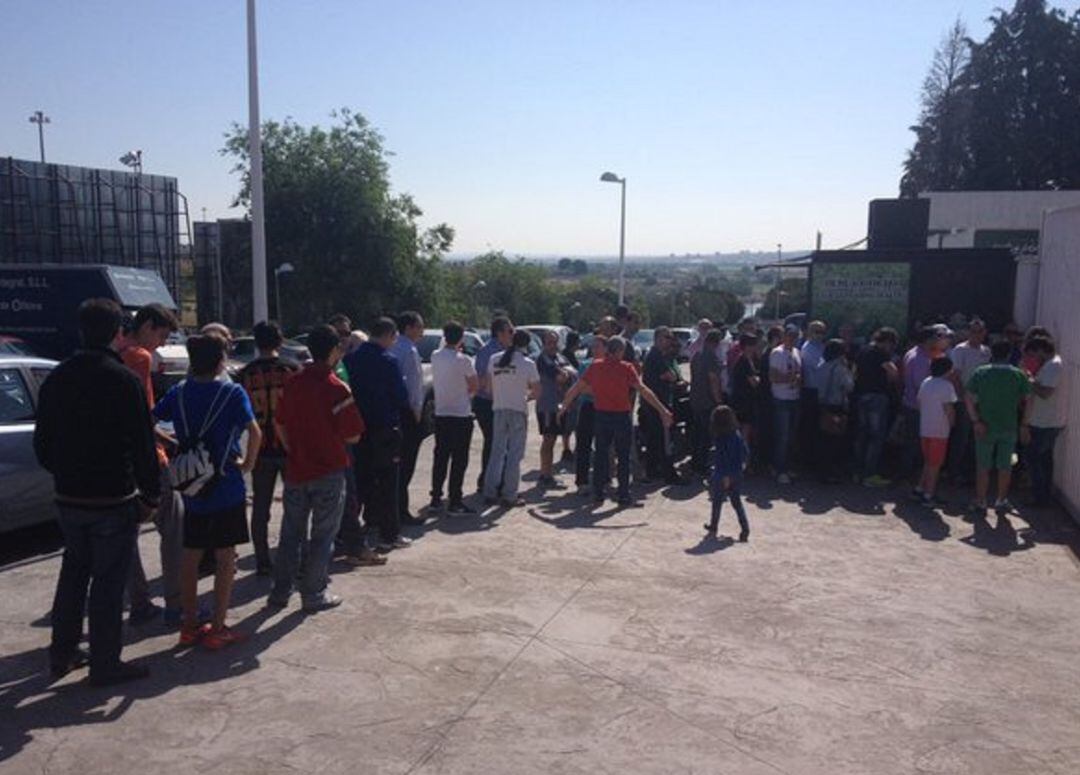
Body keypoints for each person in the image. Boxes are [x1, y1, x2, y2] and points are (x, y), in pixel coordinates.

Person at [35, 299, 160, 686]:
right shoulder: (122, 380)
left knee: (73, 576)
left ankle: (63, 653)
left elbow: (43, 443)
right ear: (117, 333)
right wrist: (151, 496)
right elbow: (142, 445)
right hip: (112, 498)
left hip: (69, 498)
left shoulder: (58, 378)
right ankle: (105, 664)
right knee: (107, 585)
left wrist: (67, 473)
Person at [154, 333, 261, 650]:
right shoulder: (231, 393)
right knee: (226, 557)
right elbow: (254, 433)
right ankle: (217, 626)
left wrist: (173, 445)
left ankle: (188, 624)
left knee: (191, 555)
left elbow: (150, 419)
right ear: (220, 361)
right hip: (226, 484)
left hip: (193, 487)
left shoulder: (180, 392)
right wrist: (247, 464)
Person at [269, 325, 366, 612]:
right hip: (329, 471)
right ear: (335, 350)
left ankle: (280, 592)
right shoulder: (337, 388)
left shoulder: (294, 383)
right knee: (322, 536)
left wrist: (293, 448)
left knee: (290, 534)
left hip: (297, 470)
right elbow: (354, 435)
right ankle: (313, 593)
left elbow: (280, 423)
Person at [115, 303, 181, 626]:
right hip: (150, 458)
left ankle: (139, 601)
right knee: (173, 526)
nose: (162, 344)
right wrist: (165, 442)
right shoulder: (139, 358)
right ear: (149, 326)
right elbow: (142, 415)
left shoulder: (116, 354)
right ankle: (177, 603)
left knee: (127, 535)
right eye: (163, 335)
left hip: (119, 461)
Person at [559, 336, 673, 506]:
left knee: (600, 455)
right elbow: (643, 390)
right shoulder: (626, 368)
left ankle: (598, 493)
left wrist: (563, 406)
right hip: (620, 417)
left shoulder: (595, 367)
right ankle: (623, 494)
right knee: (623, 456)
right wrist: (662, 410)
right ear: (620, 351)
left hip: (601, 416)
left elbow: (576, 389)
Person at [238, 321, 300, 576]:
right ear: (280, 340)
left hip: (260, 447)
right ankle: (293, 558)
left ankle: (262, 560)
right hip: (288, 446)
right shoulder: (292, 370)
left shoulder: (245, 374)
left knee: (260, 508)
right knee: (294, 507)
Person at [344, 317, 411, 553]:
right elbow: (401, 396)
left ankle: (349, 536)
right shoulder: (388, 361)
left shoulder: (350, 359)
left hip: (358, 429)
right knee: (388, 483)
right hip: (385, 429)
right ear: (388, 335)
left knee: (359, 482)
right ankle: (388, 535)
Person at [965, 340, 1033, 516]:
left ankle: (981, 500)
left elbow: (968, 398)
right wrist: (1024, 423)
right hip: (1009, 426)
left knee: (983, 466)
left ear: (991, 354)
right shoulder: (1018, 375)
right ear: (1009, 354)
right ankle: (1001, 499)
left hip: (985, 425)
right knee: (1005, 466)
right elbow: (1029, 399)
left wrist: (975, 420)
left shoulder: (980, 373)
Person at [483, 330, 540, 507]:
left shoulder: (494, 359)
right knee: (514, 455)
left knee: (497, 453)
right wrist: (526, 395)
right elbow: (537, 391)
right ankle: (509, 494)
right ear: (526, 345)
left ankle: (490, 492)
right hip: (517, 410)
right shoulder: (528, 363)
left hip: (499, 409)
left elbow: (487, 388)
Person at [429, 321, 479, 515]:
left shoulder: (435, 356)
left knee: (440, 457)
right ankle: (455, 500)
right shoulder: (464, 360)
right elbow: (474, 385)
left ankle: (435, 498)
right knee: (459, 459)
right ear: (461, 338)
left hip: (441, 413)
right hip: (460, 413)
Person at [390, 311, 426, 526]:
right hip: (407, 413)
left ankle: (391, 509)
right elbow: (414, 387)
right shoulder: (410, 351)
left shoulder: (393, 346)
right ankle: (401, 511)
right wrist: (417, 414)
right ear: (409, 327)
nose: (422, 330)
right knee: (406, 465)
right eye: (420, 326)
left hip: (393, 412)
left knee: (393, 465)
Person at [852, 327, 900, 487]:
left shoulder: (863, 351)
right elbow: (893, 373)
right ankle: (870, 474)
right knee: (876, 437)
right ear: (887, 342)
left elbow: (855, 372)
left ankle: (857, 472)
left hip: (861, 395)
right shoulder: (882, 354)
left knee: (862, 435)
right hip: (877, 397)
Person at [946, 319, 990, 485]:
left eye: (979, 332)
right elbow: (955, 376)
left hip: (981, 401)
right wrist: (963, 397)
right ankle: (954, 473)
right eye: (973, 331)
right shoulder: (960, 350)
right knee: (961, 438)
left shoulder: (986, 351)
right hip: (964, 400)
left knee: (976, 439)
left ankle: (971, 473)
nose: (976, 335)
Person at [900, 327, 947, 481]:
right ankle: (912, 476)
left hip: (910, 403)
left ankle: (911, 474)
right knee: (916, 443)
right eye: (936, 337)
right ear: (928, 340)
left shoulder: (913, 352)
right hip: (917, 407)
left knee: (912, 442)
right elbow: (921, 386)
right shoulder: (919, 358)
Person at [1023, 336, 1065, 508]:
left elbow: (1046, 392)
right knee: (1044, 460)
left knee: (1034, 459)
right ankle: (1042, 496)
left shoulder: (1053, 366)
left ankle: (1040, 498)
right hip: (1047, 420)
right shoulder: (1052, 364)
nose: (1034, 357)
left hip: (1046, 422)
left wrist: (1030, 380)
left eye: (1034, 353)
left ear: (1041, 350)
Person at [473, 317, 513, 492]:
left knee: (501, 443)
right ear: (500, 333)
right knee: (494, 442)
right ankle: (488, 482)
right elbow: (481, 380)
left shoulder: (509, 351)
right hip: (487, 403)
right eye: (510, 331)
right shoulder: (488, 352)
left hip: (502, 403)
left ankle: (494, 480)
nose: (513, 335)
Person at [641, 327, 683, 484]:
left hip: (658, 403)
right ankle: (669, 474)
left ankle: (652, 470)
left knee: (655, 439)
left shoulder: (661, 356)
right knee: (664, 440)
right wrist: (669, 378)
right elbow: (670, 376)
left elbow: (672, 376)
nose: (670, 341)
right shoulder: (655, 356)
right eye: (667, 337)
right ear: (658, 338)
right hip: (657, 404)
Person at [703, 405, 750, 543]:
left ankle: (713, 527)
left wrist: (725, 477)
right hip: (737, 474)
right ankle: (745, 529)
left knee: (717, 503)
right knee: (737, 503)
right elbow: (745, 453)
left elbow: (722, 459)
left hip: (723, 475)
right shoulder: (737, 434)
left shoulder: (721, 439)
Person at [916, 357, 958, 507]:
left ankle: (920, 488)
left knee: (928, 461)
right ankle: (929, 494)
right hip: (939, 430)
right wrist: (952, 423)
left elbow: (919, 403)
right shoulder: (947, 386)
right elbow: (949, 409)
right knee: (935, 464)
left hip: (925, 427)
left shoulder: (926, 382)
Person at [536, 330, 575, 487]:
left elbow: (573, 374)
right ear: (544, 343)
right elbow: (561, 377)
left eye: (555, 342)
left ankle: (548, 474)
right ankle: (545, 475)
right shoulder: (542, 360)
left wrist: (566, 375)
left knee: (553, 439)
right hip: (547, 406)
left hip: (559, 406)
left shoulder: (560, 357)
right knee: (548, 439)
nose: (552, 345)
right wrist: (565, 374)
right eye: (549, 342)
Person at [816, 339, 855, 483]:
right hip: (836, 406)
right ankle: (831, 472)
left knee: (823, 439)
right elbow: (849, 386)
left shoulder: (821, 365)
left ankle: (821, 470)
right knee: (835, 441)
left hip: (822, 405)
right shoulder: (840, 368)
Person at [573, 335, 606, 496]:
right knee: (583, 445)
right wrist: (602, 391)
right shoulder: (585, 365)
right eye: (593, 347)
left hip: (605, 408)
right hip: (588, 407)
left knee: (603, 446)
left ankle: (602, 480)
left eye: (598, 346)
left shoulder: (610, 365)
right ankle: (582, 481)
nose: (594, 349)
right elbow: (582, 388)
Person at [769, 324, 802, 484]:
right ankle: (779, 469)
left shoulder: (796, 352)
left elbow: (798, 373)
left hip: (795, 397)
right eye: (790, 335)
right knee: (782, 436)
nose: (793, 338)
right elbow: (773, 377)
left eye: (795, 336)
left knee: (792, 437)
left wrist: (797, 380)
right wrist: (790, 379)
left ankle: (787, 466)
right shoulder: (777, 353)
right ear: (784, 336)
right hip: (781, 398)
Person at [689, 329, 724, 474]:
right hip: (707, 401)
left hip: (695, 398)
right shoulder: (712, 357)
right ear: (716, 343)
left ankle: (695, 462)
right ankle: (702, 466)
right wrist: (719, 401)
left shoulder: (697, 355)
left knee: (696, 434)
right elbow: (713, 380)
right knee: (705, 435)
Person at [729, 333, 762, 466]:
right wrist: (760, 379)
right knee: (743, 434)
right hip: (743, 402)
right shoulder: (744, 361)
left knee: (744, 433)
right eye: (753, 344)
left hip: (744, 401)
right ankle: (742, 463)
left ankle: (742, 461)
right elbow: (754, 382)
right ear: (747, 346)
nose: (755, 347)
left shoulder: (749, 360)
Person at [799, 320, 828, 464]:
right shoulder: (807, 348)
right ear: (809, 332)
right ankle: (807, 461)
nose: (820, 335)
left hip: (823, 392)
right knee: (810, 428)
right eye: (816, 331)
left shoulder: (822, 347)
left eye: (822, 332)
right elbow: (820, 367)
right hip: (811, 391)